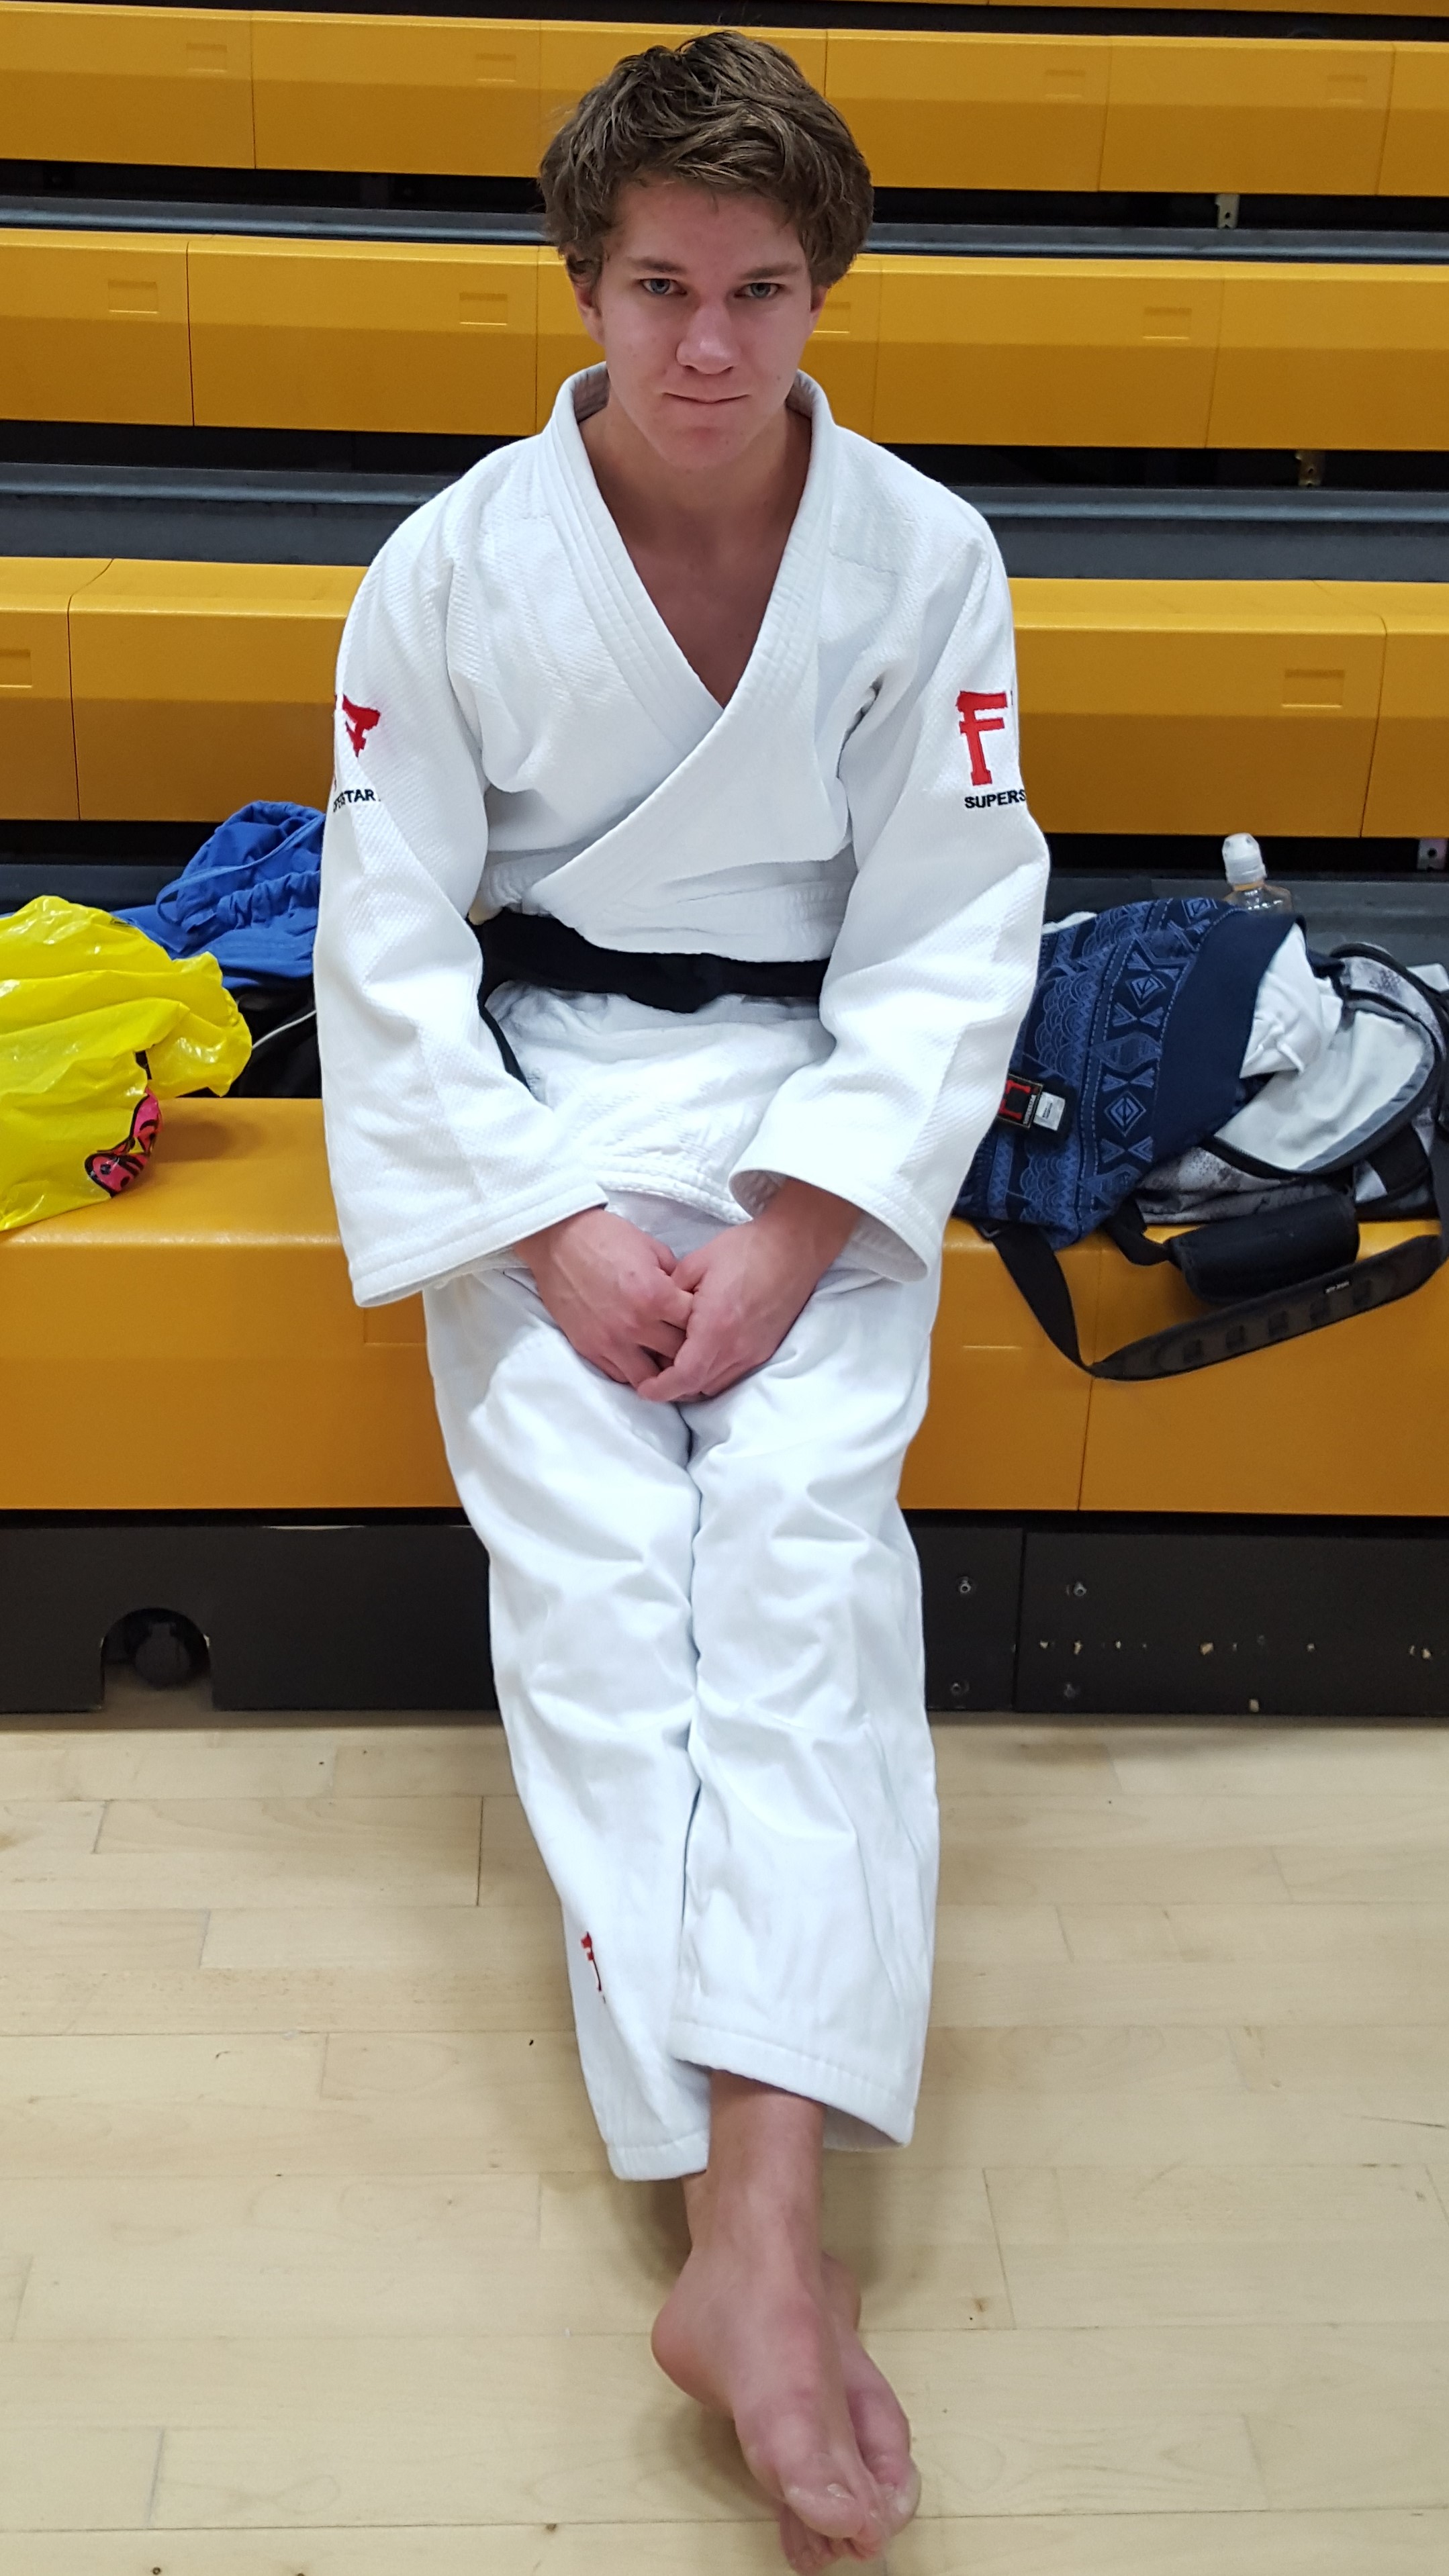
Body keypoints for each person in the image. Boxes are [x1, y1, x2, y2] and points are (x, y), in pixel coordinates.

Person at [314, 31, 1047, 2570]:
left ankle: (760, 2219)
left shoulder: (924, 557)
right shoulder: (448, 567)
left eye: (758, 290)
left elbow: (956, 927)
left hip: (809, 1114)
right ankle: (755, 2230)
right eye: (659, 288)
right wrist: (545, 1221)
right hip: (545, 1121)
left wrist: (808, 1218)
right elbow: (387, 939)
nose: (709, 344)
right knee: (608, 1577)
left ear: (822, 289)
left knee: (809, 1560)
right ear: (585, 285)